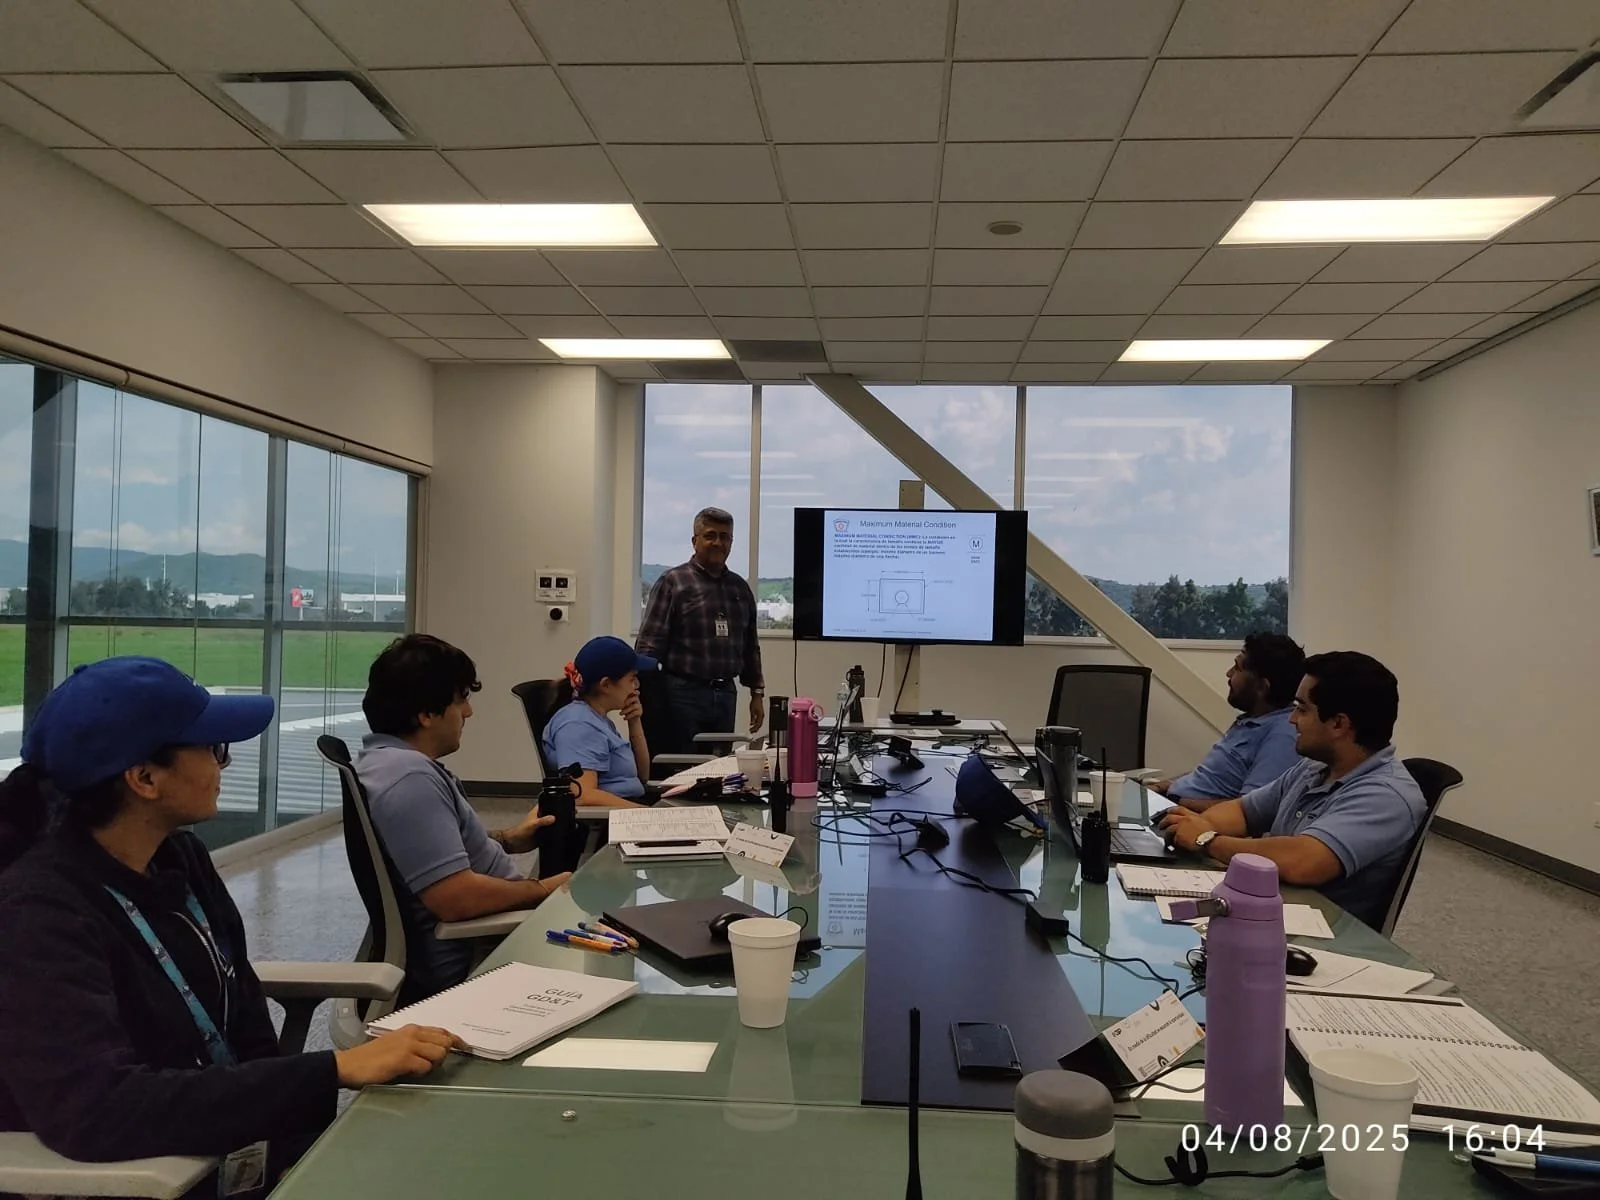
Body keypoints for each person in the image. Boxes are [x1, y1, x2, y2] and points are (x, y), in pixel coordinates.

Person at [0, 657, 461, 1197]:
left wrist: (294, 1156)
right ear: (145, 778)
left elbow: (246, 1027)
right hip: (144, 1178)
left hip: (227, 1157)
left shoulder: (180, 859)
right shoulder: (39, 912)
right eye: (215, 748)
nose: (229, 762)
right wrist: (333, 1069)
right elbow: (94, 1108)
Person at [357, 635, 572, 1001]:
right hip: (481, 959)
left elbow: (432, 850)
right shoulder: (409, 778)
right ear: (426, 713)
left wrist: (507, 839)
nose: (469, 713)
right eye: (461, 700)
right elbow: (455, 898)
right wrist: (545, 890)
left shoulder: (386, 763)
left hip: (492, 940)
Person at [1156, 651, 1425, 930]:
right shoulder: (1314, 768)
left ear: (1338, 724)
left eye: (1302, 709)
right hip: (1271, 909)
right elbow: (1244, 811)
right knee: (1160, 921)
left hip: (1321, 937)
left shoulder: (1387, 795)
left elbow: (1304, 861)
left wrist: (1207, 839)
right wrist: (1193, 825)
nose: (1291, 719)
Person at [636, 505, 765, 753]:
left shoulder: (740, 589)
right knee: (682, 766)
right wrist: (643, 698)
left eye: (724, 537)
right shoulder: (673, 582)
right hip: (682, 694)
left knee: (718, 769)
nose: (718, 542)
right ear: (695, 541)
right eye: (710, 535)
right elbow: (649, 645)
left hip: (726, 693)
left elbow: (750, 647)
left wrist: (756, 693)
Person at [1150, 632, 1306, 809]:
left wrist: (1174, 801)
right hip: (1171, 804)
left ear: (1262, 687)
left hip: (1189, 819)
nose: (1228, 674)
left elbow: (1249, 810)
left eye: (1237, 668)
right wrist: (1161, 787)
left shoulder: (1283, 734)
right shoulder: (1251, 720)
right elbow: (1208, 777)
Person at [543, 636, 656, 809]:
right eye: (632, 679)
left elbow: (642, 777)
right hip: (608, 822)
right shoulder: (578, 725)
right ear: (606, 685)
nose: (636, 686)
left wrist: (634, 722)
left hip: (629, 805)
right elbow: (583, 796)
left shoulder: (597, 718)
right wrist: (647, 814)